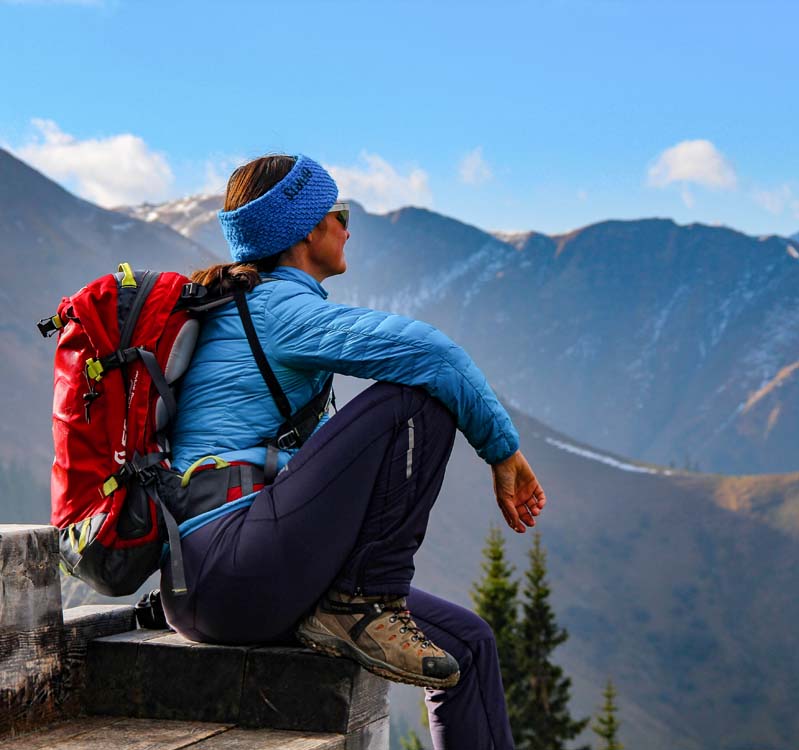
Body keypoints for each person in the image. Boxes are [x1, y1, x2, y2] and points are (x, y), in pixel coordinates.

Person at [161, 153, 545, 749]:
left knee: (467, 643)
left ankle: (360, 601)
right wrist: (504, 453)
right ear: (307, 231)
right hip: (235, 562)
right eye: (338, 213)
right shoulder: (275, 309)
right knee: (416, 398)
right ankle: (365, 603)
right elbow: (433, 356)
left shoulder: (241, 307)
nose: (347, 226)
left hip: (210, 582)